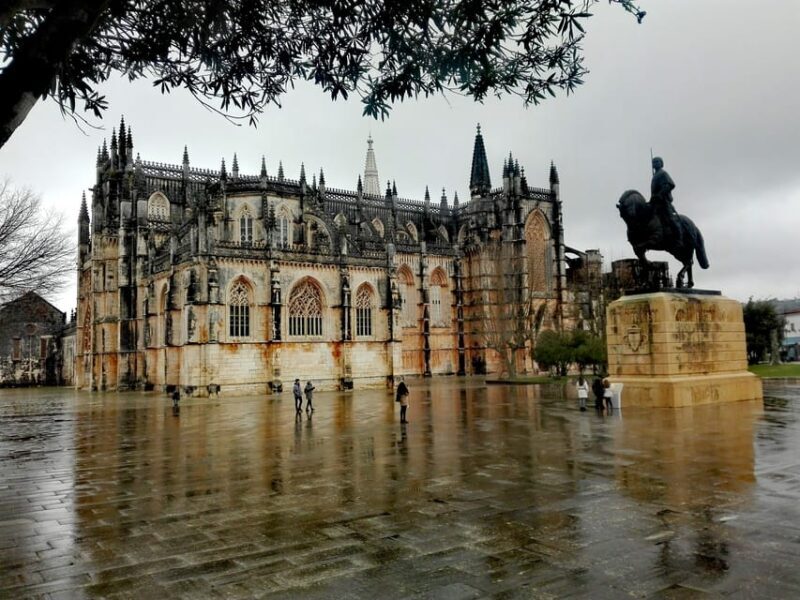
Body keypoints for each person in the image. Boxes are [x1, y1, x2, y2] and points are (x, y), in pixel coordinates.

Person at [650, 156, 683, 246]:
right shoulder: (655, 176)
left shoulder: (663, 173)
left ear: (661, 163)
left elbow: (671, 185)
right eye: (653, 162)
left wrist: (660, 194)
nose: (655, 163)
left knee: (670, 219)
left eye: (657, 161)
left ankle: (679, 238)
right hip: (655, 202)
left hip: (664, 201)